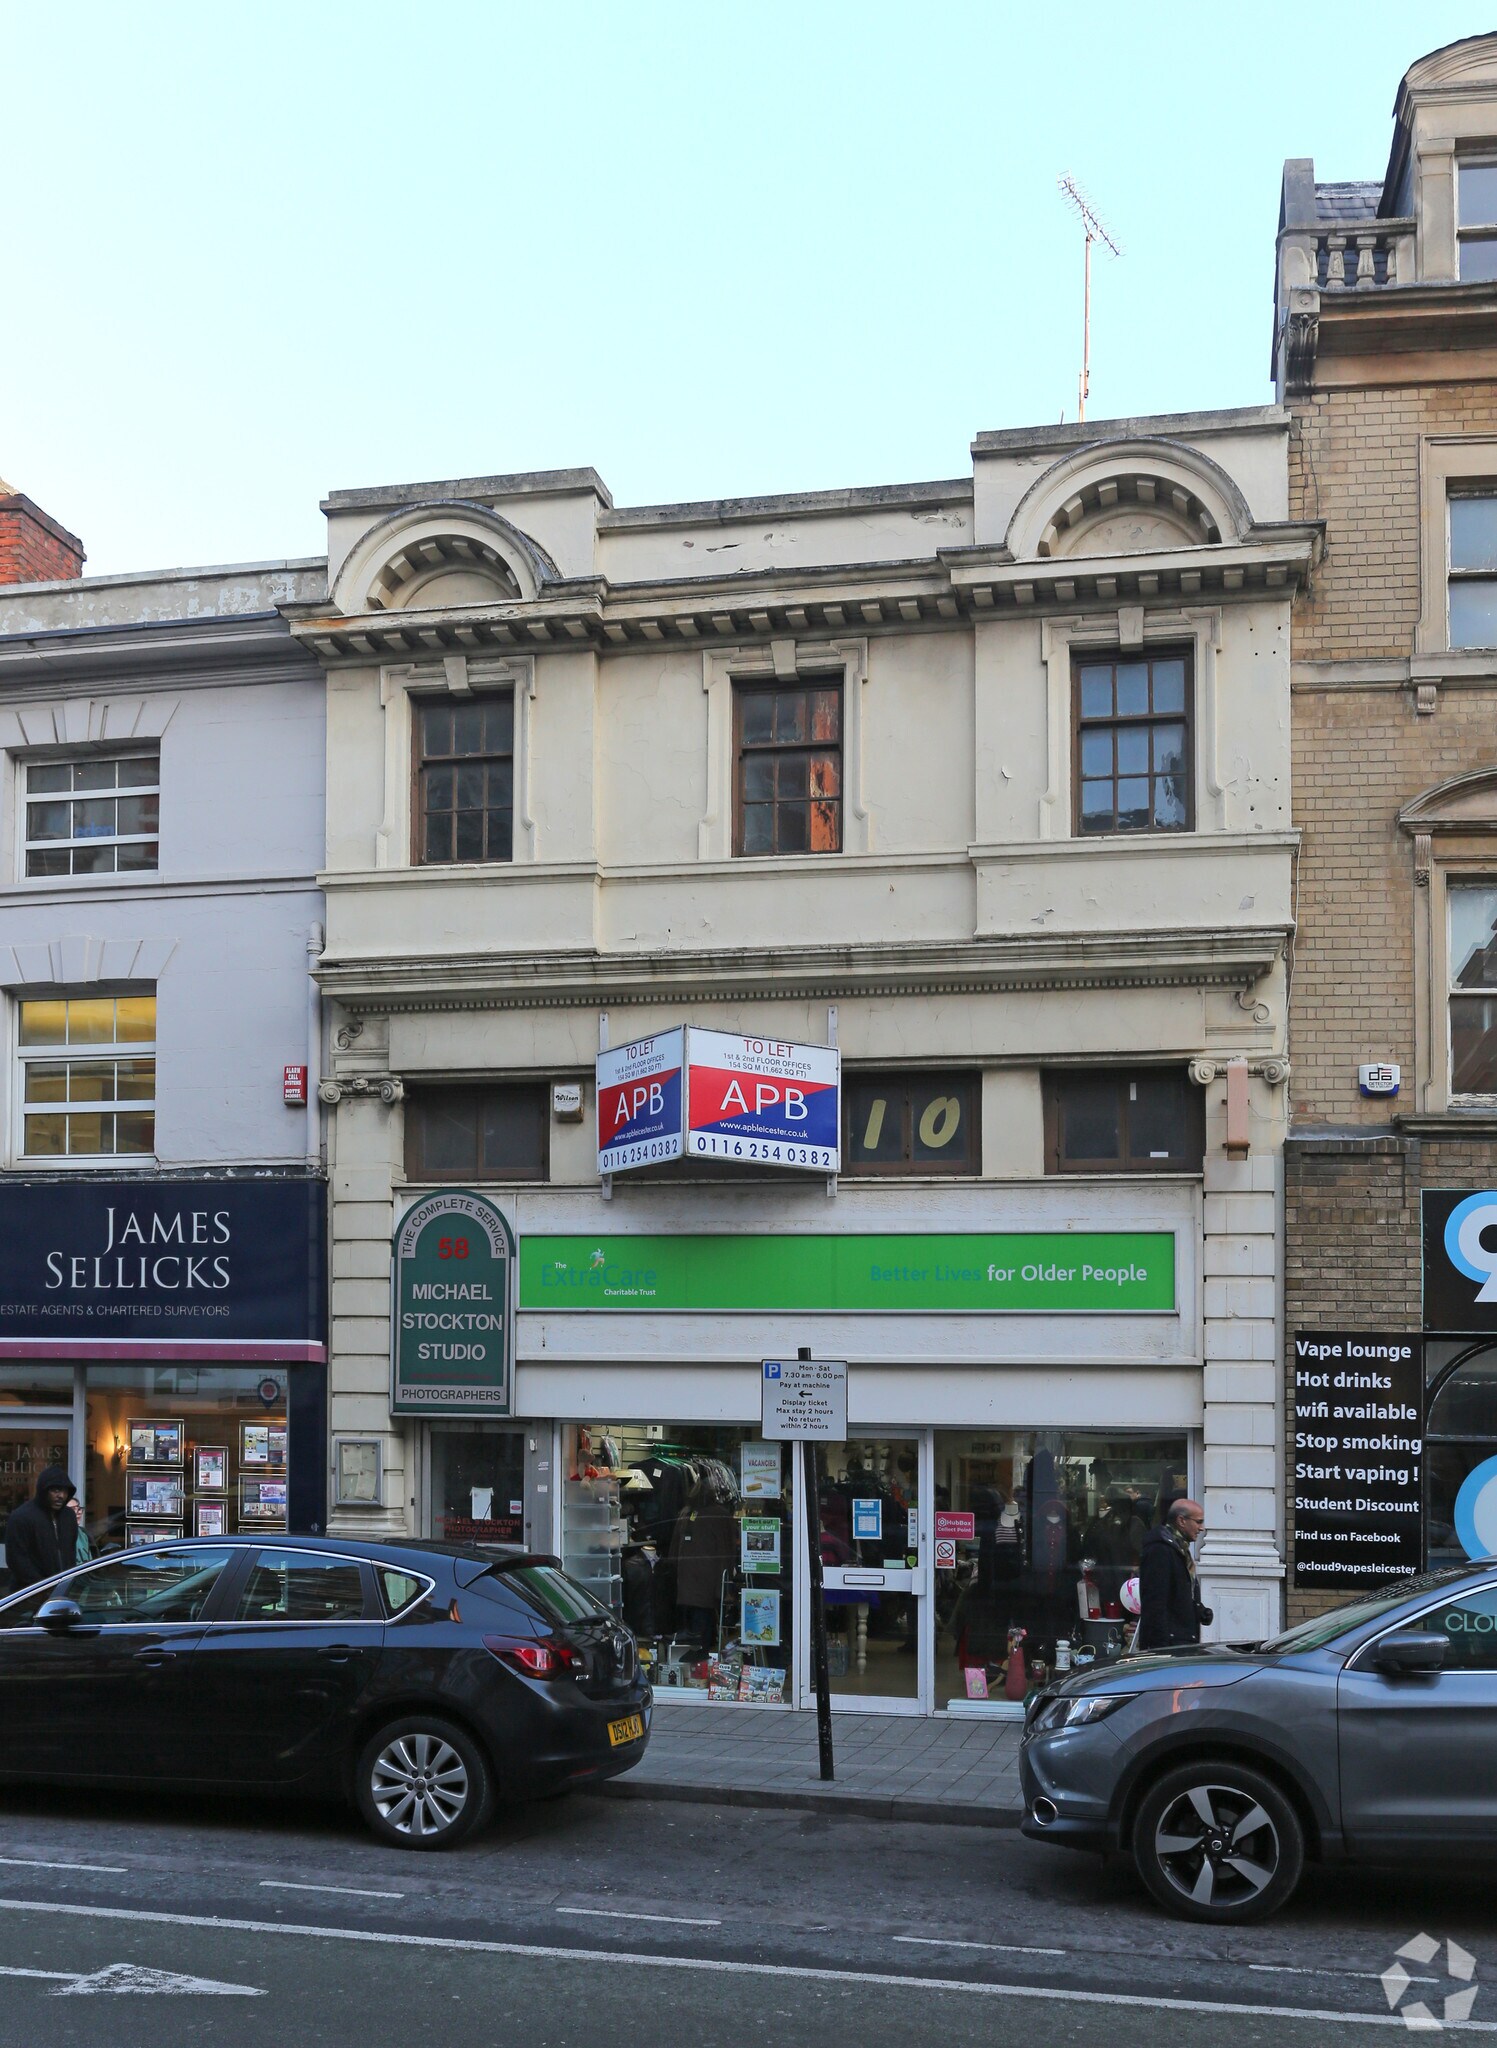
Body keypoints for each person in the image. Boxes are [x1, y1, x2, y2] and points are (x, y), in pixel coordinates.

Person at [1136, 1497, 1212, 1650]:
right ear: (1181, 1521)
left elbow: (1180, 1592)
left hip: (1180, 1640)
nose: (1201, 1528)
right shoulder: (1160, 1549)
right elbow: (1155, 1601)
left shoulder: (1179, 1548)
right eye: (1198, 1522)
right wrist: (1161, 1649)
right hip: (1169, 1645)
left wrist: (1199, 1610)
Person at [4, 1467, 84, 1591]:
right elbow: (17, 1560)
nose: (61, 1496)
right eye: (55, 1490)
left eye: (65, 1491)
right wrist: (42, 1588)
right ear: (44, 1490)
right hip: (28, 1594)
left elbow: (70, 1555)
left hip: (62, 1590)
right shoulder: (22, 1517)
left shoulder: (68, 1517)